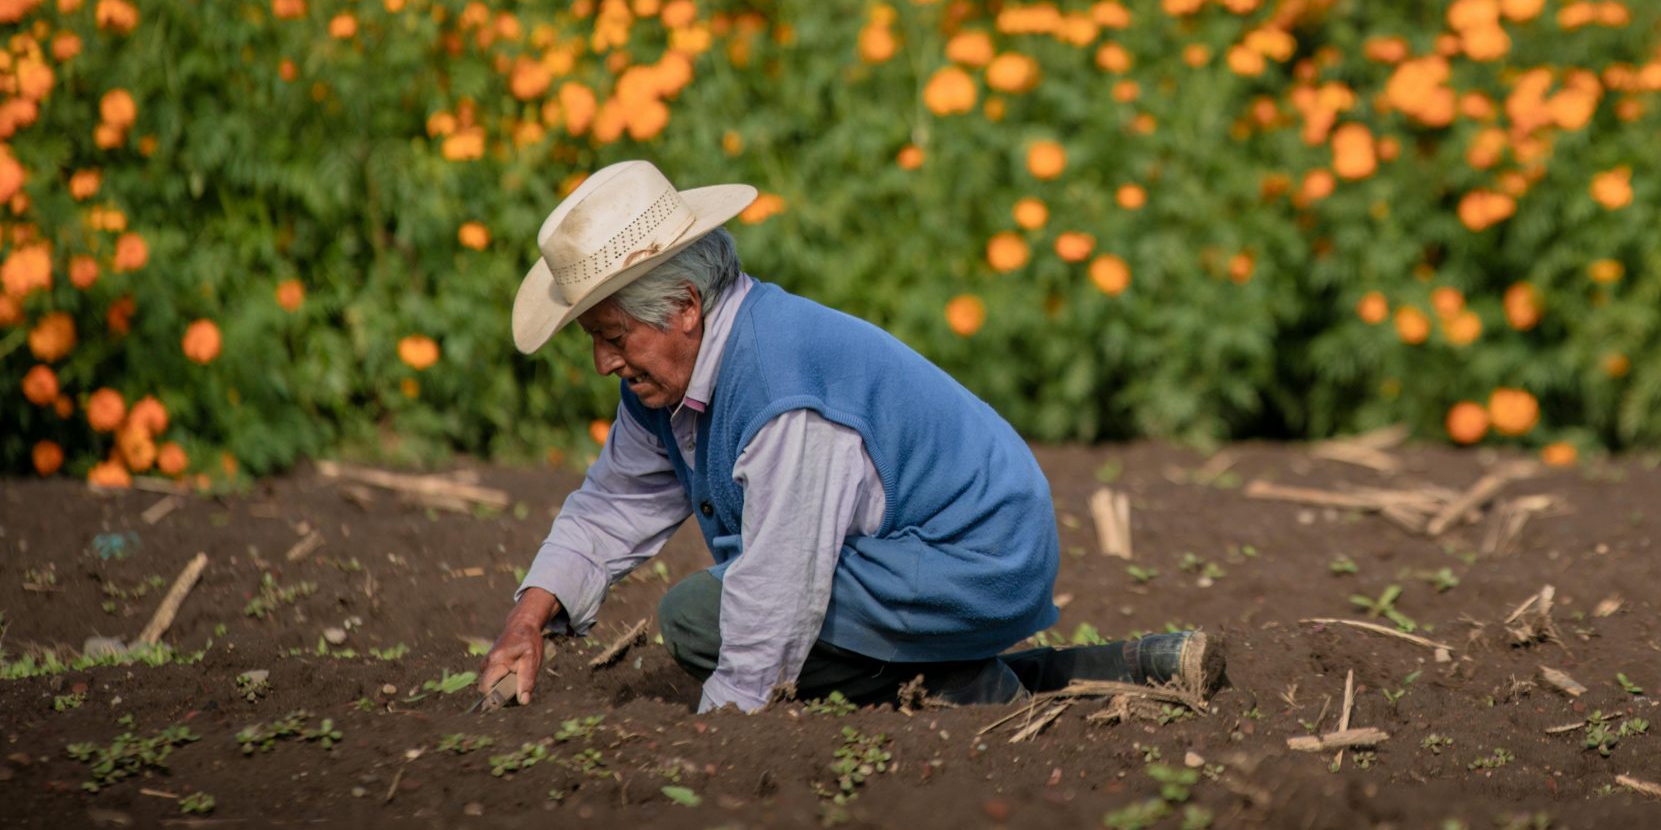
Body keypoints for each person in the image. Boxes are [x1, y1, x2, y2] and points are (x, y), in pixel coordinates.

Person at [478, 159, 1223, 713]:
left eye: (613, 336)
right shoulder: (663, 379)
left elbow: (778, 591)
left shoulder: (780, 386)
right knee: (714, 610)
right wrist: (528, 617)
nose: (603, 361)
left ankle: (975, 685)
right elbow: (613, 504)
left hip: (978, 552)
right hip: (909, 555)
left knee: (700, 618)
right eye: (594, 339)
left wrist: (723, 729)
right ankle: (1036, 674)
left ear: (685, 307)